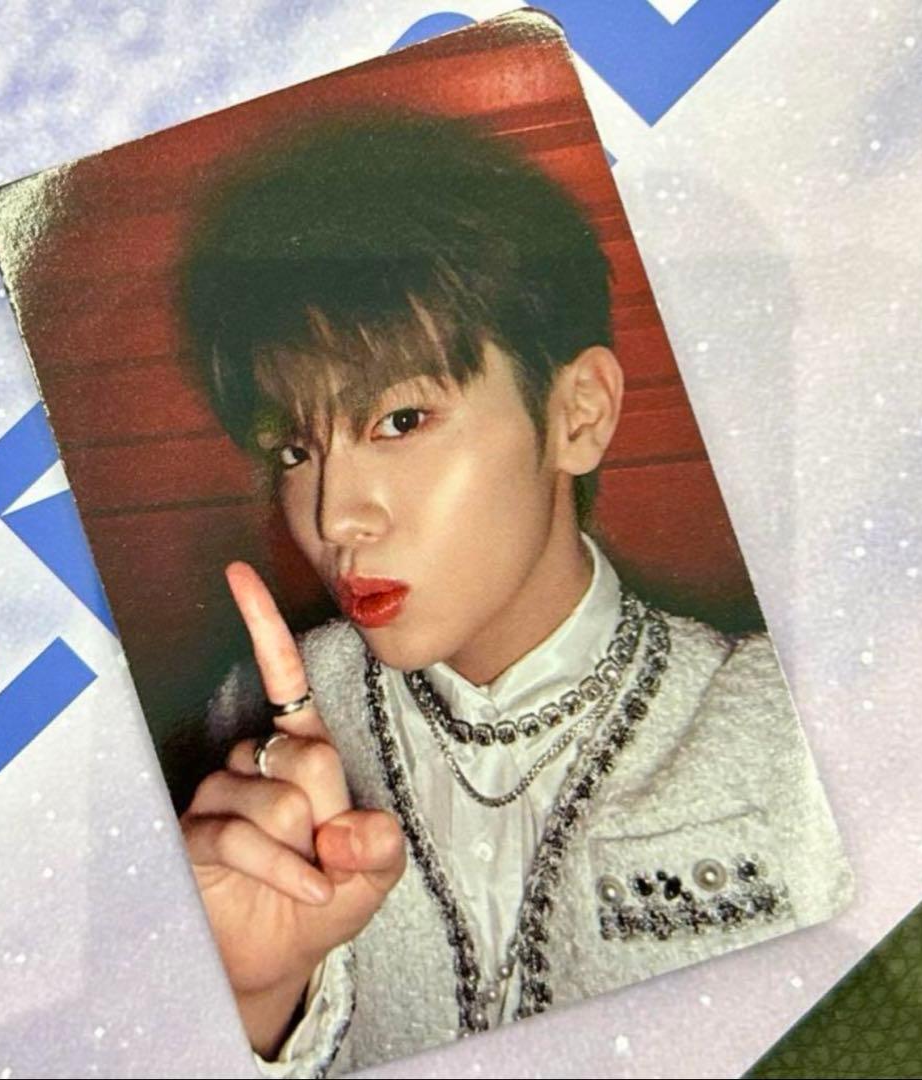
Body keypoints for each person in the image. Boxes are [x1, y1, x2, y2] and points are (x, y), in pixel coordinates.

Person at [178, 111, 853, 1077]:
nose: (334, 517)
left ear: (576, 415)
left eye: (400, 420)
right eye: (294, 450)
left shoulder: (782, 726)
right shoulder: (250, 724)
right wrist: (254, 1009)